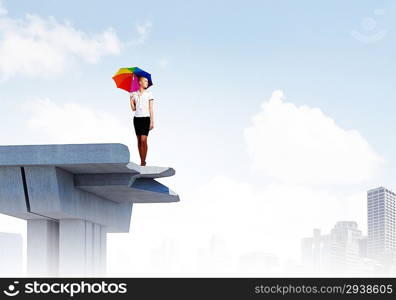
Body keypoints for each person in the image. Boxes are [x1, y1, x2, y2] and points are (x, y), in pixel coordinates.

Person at [129, 76, 154, 166]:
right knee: (139, 141)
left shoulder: (149, 94)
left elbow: (151, 108)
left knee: (144, 140)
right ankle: (142, 160)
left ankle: (143, 161)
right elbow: (133, 109)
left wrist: (152, 121)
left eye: (147, 81)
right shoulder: (134, 94)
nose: (147, 83)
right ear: (140, 82)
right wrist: (131, 100)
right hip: (136, 119)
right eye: (145, 81)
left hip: (146, 118)